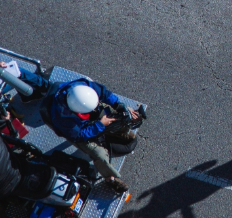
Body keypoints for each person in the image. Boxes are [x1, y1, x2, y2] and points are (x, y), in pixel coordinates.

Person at [0, 61, 139, 193]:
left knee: (117, 117)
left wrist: (118, 105)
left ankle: (120, 132)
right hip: (79, 130)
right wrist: (99, 125)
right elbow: (79, 135)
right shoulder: (61, 117)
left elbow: (103, 92)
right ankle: (110, 178)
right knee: (100, 155)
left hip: (90, 117)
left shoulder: (83, 89)